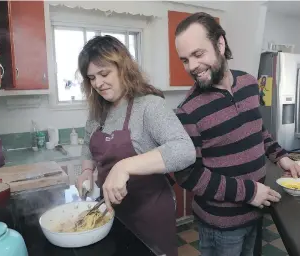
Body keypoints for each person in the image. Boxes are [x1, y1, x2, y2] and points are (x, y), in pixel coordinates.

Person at [173, 12, 300, 256]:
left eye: (198, 54)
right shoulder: (188, 110)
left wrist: (281, 156)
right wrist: (250, 192)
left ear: (220, 43)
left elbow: (257, 129)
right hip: (221, 226)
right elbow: (189, 176)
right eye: (185, 59)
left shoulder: (250, 83)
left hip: (256, 212)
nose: (192, 66)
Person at [76, 35, 196, 256]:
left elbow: (184, 150)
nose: (98, 84)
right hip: (112, 212)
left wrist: (124, 167)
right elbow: (86, 145)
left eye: (104, 74)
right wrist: (86, 170)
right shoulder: (97, 112)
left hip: (150, 213)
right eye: (92, 77)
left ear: (123, 68)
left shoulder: (149, 106)